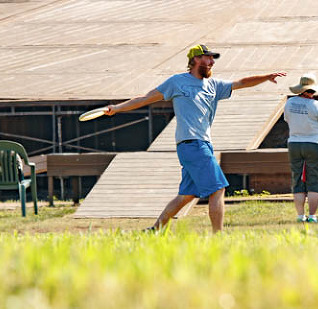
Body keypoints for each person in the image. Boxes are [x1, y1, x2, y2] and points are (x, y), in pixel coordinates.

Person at [103, 44, 286, 233]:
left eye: (213, 59)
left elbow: (241, 82)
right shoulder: (177, 82)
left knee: (186, 195)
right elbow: (144, 98)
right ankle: (217, 236)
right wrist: (116, 108)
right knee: (218, 188)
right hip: (192, 143)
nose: (212, 62)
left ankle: (155, 229)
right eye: (208, 58)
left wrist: (265, 77)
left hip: (202, 144)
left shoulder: (213, 85)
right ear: (196, 59)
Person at [284, 74, 318, 223]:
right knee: (314, 181)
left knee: (297, 180)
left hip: (294, 143)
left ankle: (300, 216)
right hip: (314, 143)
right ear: (313, 90)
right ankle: (311, 216)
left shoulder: (290, 102)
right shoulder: (317, 105)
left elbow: (287, 119)